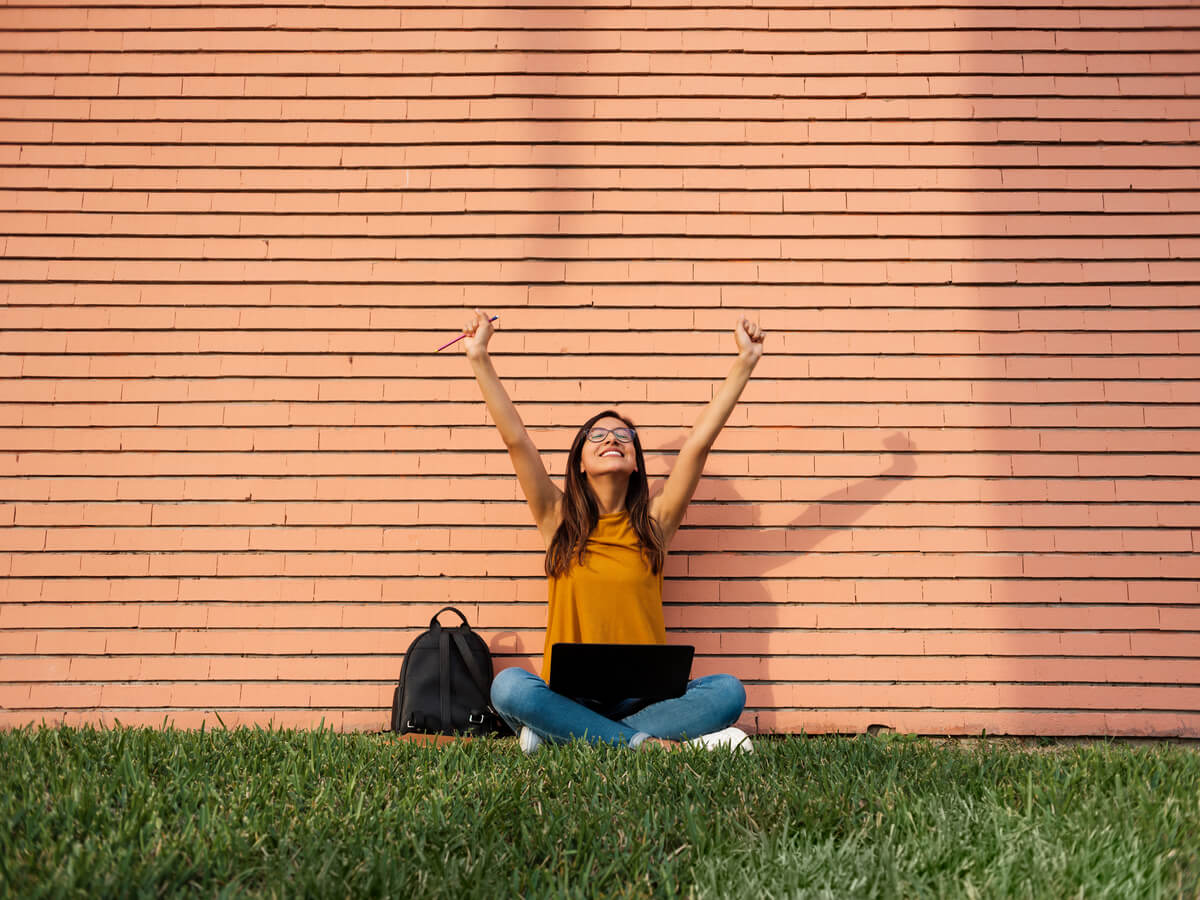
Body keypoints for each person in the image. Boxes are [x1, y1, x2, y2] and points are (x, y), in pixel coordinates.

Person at [461, 308, 764, 753]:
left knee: (729, 690)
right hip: (569, 695)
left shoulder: (655, 526)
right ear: (580, 465)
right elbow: (517, 440)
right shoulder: (557, 519)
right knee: (509, 687)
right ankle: (645, 745)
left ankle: (566, 735)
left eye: (623, 435)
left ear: (636, 462)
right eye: (597, 435)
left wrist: (745, 361)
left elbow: (698, 443)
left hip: (643, 700)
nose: (611, 440)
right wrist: (479, 356)